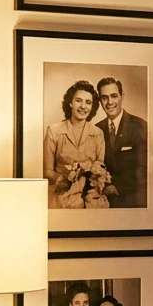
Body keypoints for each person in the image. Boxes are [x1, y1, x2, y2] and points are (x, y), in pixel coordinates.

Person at [43, 80, 106, 209]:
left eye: (88, 102)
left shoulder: (98, 133)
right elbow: (47, 172)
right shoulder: (53, 131)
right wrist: (68, 179)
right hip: (61, 197)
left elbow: (100, 169)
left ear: (92, 107)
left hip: (91, 197)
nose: (83, 106)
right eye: (78, 100)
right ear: (70, 103)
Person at [95, 77, 147, 209]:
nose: (109, 102)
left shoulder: (139, 125)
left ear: (122, 96)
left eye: (114, 96)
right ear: (100, 101)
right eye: (104, 98)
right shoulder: (96, 129)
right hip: (103, 203)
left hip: (132, 201)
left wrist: (117, 187)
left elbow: (144, 168)